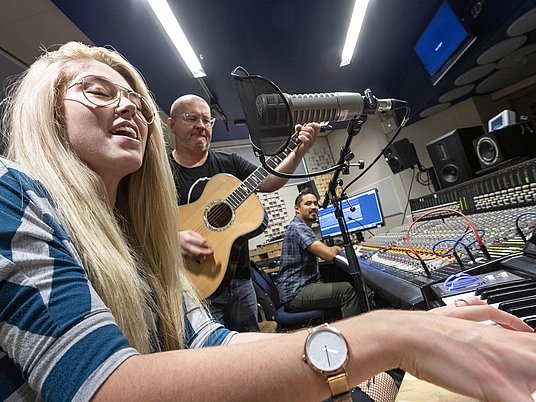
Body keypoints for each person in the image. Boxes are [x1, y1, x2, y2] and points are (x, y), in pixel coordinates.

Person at [1, 42, 535, 402]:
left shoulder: (140, 239)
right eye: (98, 91)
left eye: (136, 102)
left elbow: (212, 343)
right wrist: (387, 333)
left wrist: (387, 338)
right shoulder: (10, 192)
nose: (128, 108)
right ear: (47, 113)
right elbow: (105, 387)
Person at [167, 93, 318, 332]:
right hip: (194, 286)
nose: (201, 126)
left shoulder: (229, 163)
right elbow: (141, 223)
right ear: (172, 123)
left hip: (240, 282)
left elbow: (269, 181)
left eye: (207, 120)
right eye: (191, 118)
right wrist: (171, 239)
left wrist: (298, 152)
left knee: (249, 346)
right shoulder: (161, 174)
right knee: (213, 356)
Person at [277, 188, 363, 318]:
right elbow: (328, 255)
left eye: (315, 203)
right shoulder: (298, 227)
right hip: (295, 293)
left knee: (342, 279)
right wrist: (337, 248)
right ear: (297, 209)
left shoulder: (301, 226)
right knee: (347, 290)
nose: (313, 207)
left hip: (299, 288)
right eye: (308, 203)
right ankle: (352, 335)